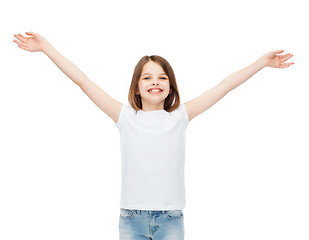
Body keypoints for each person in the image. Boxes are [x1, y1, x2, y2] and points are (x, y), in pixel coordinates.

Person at [13, 31, 294, 240]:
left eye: (161, 77)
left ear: (170, 87)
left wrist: (261, 63)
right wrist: (46, 47)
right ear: (137, 87)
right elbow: (82, 80)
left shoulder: (180, 116)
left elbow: (223, 86)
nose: (155, 82)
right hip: (131, 218)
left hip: (171, 219)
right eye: (147, 77)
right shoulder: (124, 116)